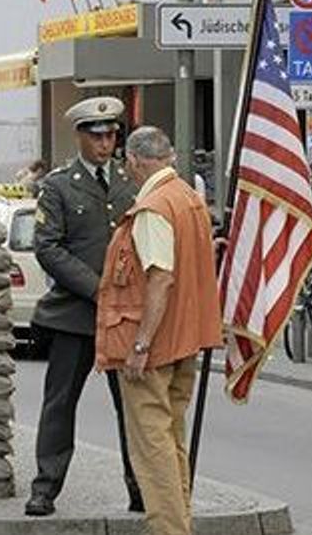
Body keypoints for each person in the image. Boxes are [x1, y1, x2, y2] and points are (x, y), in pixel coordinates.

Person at [95, 126, 222, 535]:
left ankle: (171, 529)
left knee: (152, 450)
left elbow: (160, 278)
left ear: (133, 161)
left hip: (155, 347)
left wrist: (140, 344)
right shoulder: (189, 198)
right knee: (172, 440)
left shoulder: (153, 207)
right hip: (188, 338)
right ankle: (180, 521)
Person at [25, 96, 143, 517]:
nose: (106, 143)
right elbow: (48, 247)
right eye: (97, 136)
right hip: (74, 315)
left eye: (112, 134)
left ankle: (139, 487)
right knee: (60, 405)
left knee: (131, 409)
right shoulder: (58, 185)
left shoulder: (131, 183)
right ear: (80, 137)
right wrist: (98, 289)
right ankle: (45, 488)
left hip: (124, 317)